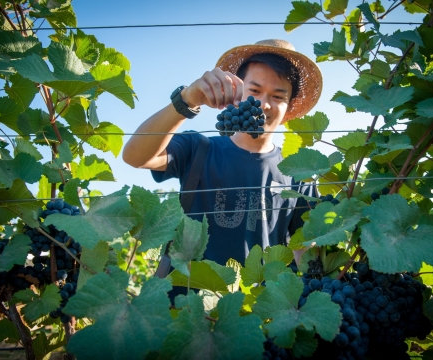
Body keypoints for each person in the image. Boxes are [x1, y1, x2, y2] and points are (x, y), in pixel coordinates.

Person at [122, 39, 323, 267]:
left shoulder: (301, 178)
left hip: (259, 302)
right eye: (255, 90)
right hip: (184, 299)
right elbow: (134, 157)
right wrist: (187, 99)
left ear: (290, 105)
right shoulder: (198, 148)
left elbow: (306, 255)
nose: (265, 104)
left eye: (278, 96)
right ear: (237, 93)